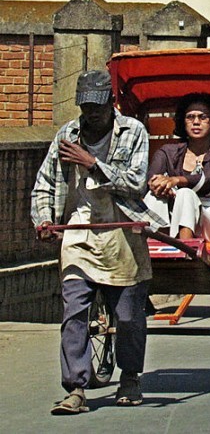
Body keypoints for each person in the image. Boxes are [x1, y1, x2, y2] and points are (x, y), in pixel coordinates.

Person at [31, 70, 165, 414]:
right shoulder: (66, 135)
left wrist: (93, 164)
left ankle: (131, 376)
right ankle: (76, 388)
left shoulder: (133, 132)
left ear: (112, 103)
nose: (91, 113)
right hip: (79, 232)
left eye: (98, 105)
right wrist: (44, 219)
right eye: (85, 105)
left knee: (128, 317)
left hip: (123, 232)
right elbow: (45, 183)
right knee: (73, 311)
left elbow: (136, 183)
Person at [145, 93, 210, 241]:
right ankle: (151, 248)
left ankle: (186, 251)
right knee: (154, 195)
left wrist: (176, 181)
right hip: (170, 219)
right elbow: (152, 179)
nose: (196, 122)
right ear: (183, 122)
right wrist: (161, 186)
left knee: (186, 194)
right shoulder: (167, 152)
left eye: (203, 117)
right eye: (190, 117)